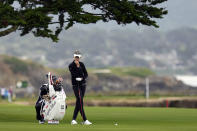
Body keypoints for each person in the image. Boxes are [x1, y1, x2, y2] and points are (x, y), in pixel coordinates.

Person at [68, 50, 92, 125]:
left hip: (83, 85)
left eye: (78, 57)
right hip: (76, 85)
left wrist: (83, 78)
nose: (77, 58)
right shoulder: (71, 65)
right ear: (74, 57)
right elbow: (74, 74)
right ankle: (85, 120)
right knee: (80, 100)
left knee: (79, 101)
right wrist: (78, 67)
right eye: (76, 57)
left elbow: (86, 74)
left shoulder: (82, 64)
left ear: (80, 57)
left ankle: (73, 119)